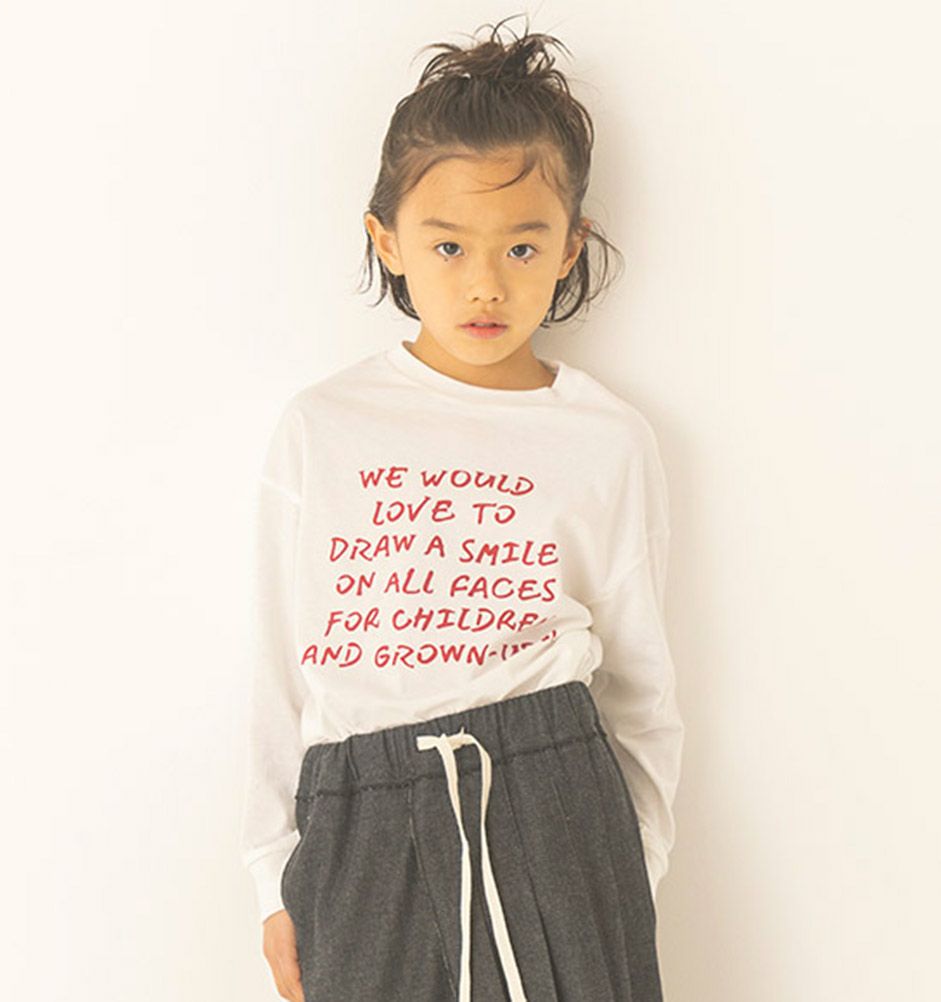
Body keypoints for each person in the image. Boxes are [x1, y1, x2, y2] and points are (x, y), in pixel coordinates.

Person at [239, 14, 684, 1002]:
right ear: (388, 241)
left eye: (522, 247)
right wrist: (273, 875)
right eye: (448, 245)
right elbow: (277, 662)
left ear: (569, 247)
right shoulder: (323, 425)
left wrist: (630, 872)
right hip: (361, 822)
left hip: (557, 799)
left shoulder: (606, 439)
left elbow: (643, 687)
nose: (485, 283)